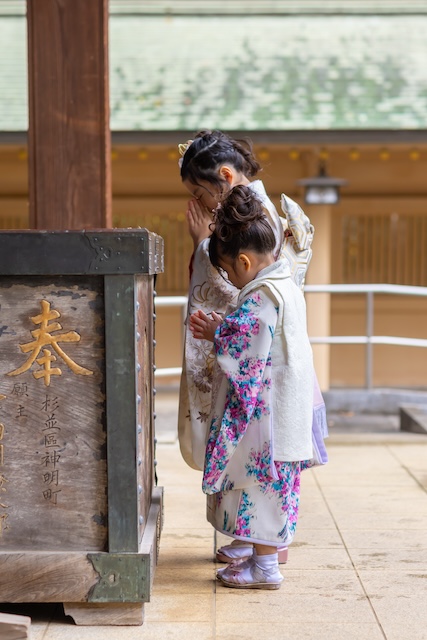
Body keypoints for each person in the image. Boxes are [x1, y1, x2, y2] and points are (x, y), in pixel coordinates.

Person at [177, 129, 327, 566]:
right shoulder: (260, 215)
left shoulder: (251, 225)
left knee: (256, 463)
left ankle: (264, 548)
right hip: (263, 362)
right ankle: (252, 540)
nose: (202, 201)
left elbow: (242, 297)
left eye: (201, 190)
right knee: (255, 467)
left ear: (225, 176)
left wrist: (203, 246)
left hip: (260, 374)